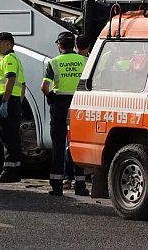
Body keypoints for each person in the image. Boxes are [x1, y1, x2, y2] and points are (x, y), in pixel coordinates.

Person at [41, 32, 87, 196]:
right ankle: (80, 184)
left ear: (59, 45)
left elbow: (44, 87)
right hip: (79, 104)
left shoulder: (53, 62)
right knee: (77, 143)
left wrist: (51, 97)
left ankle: (57, 186)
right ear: (73, 45)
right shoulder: (85, 61)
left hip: (59, 104)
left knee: (58, 145)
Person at [0, 32, 25, 183]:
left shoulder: (9, 59)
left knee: (7, 138)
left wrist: (5, 101)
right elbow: (23, 85)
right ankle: (14, 171)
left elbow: (10, 80)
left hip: (7, 101)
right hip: (14, 102)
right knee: (12, 138)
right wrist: (18, 102)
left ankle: (8, 172)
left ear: (8, 44)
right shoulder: (15, 59)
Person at [64, 34, 91, 189]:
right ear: (88, 48)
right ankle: (79, 179)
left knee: (69, 143)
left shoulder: (59, 61)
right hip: (84, 107)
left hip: (67, 106)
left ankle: (68, 178)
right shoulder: (88, 62)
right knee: (79, 142)